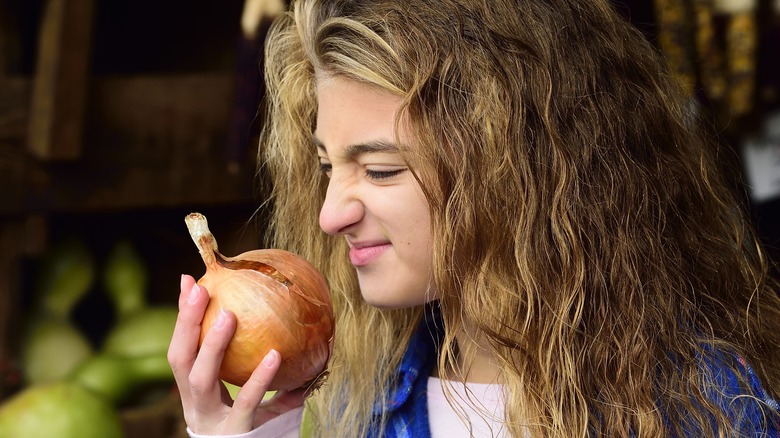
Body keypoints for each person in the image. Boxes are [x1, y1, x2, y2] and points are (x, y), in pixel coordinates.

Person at [167, 0, 780, 436]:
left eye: (380, 170)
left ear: (514, 170)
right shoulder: (356, 404)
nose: (330, 216)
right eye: (327, 167)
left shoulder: (710, 406)